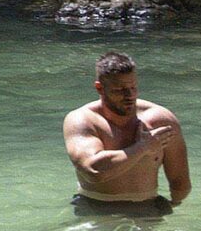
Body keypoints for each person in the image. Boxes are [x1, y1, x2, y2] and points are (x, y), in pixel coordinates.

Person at [63, 50, 190, 215]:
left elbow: (180, 183)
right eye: (119, 90)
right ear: (99, 88)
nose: (129, 95)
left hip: (146, 208)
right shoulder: (82, 120)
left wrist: (172, 205)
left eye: (133, 87)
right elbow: (93, 171)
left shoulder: (161, 120)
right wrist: (142, 148)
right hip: (95, 207)